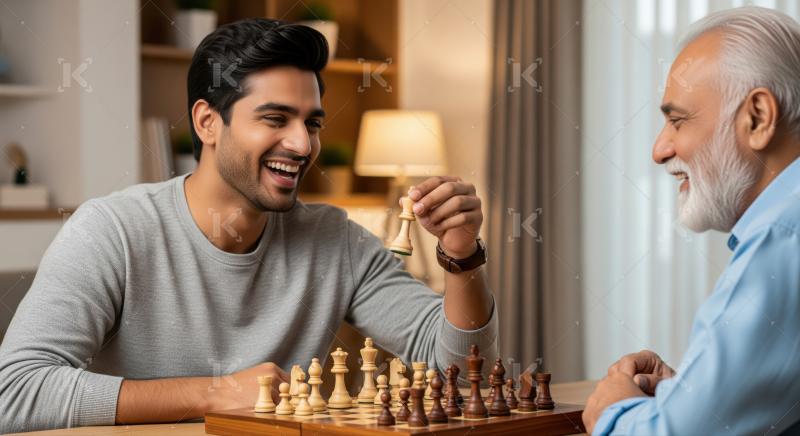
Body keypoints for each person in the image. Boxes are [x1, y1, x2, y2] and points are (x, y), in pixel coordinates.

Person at [0, 19, 497, 433]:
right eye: (275, 118)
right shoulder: (110, 231)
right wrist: (218, 393)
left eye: (313, 123)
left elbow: (456, 371)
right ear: (207, 123)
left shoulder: (336, 240)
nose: (303, 145)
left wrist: (461, 257)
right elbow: (15, 391)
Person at [582, 7, 800, 435]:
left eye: (677, 120)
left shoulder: (782, 236)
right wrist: (691, 393)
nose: (659, 150)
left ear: (757, 118)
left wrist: (613, 411)